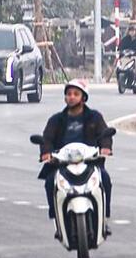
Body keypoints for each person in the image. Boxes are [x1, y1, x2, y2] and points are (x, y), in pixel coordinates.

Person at [39, 81, 115, 221]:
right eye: (68, 94)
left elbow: (105, 134)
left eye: (76, 94)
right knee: (50, 182)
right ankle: (55, 213)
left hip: (89, 161)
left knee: (105, 179)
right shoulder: (56, 120)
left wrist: (105, 148)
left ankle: (104, 213)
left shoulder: (95, 117)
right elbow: (47, 139)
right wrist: (46, 152)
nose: (71, 97)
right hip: (62, 162)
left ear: (83, 97)